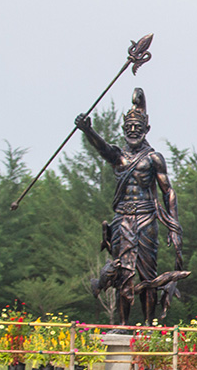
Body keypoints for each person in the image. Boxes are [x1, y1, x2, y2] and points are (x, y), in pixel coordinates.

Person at [75, 88, 184, 325]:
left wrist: (174, 227)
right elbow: (102, 147)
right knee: (122, 272)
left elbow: (168, 191)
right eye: (129, 128)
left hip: (146, 219)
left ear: (147, 130)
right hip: (123, 219)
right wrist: (87, 130)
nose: (133, 132)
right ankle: (123, 324)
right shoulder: (118, 157)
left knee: (148, 274)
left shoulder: (153, 158)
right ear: (124, 131)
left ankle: (147, 324)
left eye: (138, 128)